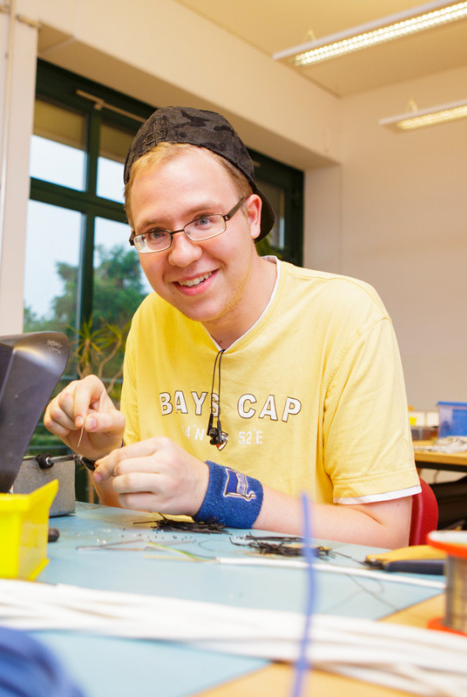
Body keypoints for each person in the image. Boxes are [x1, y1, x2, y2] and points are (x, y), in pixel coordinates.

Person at [44, 107, 419, 548]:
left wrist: (212, 492)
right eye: (155, 232)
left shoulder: (346, 315)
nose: (182, 255)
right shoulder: (153, 318)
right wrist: (104, 455)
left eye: (204, 219)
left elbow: (385, 535)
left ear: (252, 217)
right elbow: (135, 515)